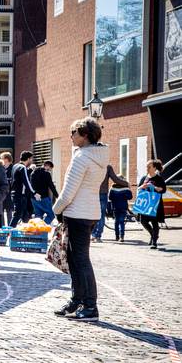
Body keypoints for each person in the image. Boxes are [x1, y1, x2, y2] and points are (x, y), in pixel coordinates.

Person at [53, 117, 108, 322]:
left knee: (81, 260)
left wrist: (56, 209)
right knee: (75, 259)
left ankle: (90, 305)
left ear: (85, 135)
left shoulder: (82, 157)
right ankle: (77, 300)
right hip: (90, 212)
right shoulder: (98, 156)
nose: (71, 136)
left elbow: (68, 192)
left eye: (73, 133)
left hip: (77, 213)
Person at [91, 165, 129, 242]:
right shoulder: (107, 167)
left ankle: (93, 235)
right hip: (103, 194)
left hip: (93, 193)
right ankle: (98, 236)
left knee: (93, 215)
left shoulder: (93, 164)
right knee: (101, 215)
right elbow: (115, 179)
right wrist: (126, 183)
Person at [138, 160, 167, 249]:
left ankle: (154, 242)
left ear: (154, 168)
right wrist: (142, 187)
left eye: (149, 167)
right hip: (145, 203)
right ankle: (153, 235)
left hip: (155, 204)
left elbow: (163, 190)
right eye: (147, 166)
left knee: (154, 222)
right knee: (143, 221)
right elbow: (139, 189)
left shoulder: (159, 178)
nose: (147, 168)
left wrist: (155, 187)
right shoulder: (144, 178)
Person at [10, 151, 38, 227]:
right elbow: (27, 182)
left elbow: (16, 179)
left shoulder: (15, 166)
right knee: (18, 214)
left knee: (25, 216)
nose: (31, 161)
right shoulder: (23, 168)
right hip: (20, 195)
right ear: (28, 159)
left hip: (15, 194)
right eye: (31, 159)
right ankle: (8, 232)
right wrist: (34, 193)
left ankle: (27, 233)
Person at [0, 152, 14, 226]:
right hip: (1, 194)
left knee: (9, 212)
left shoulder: (13, 168)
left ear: (6, 159)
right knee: (0, 212)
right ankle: (2, 229)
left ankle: (10, 228)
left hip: (9, 194)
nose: (1, 160)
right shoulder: (1, 168)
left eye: (2, 158)